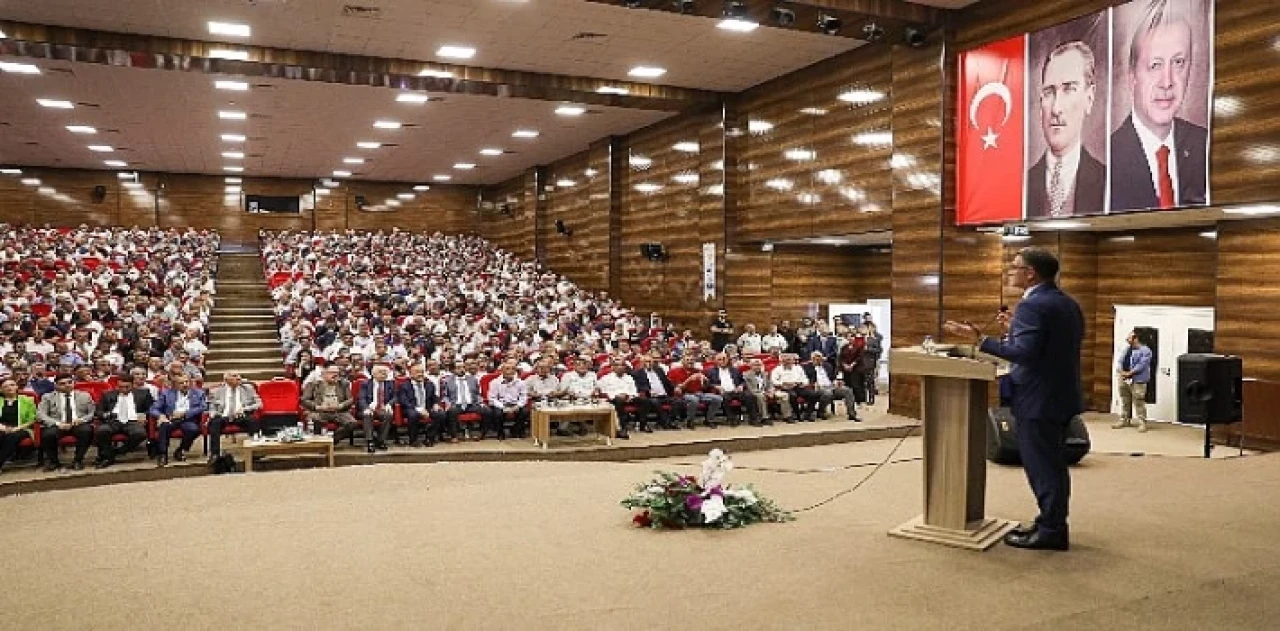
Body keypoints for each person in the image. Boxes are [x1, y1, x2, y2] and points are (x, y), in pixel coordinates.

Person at [945, 247, 1084, 551]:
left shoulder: (1032, 307)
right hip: (1059, 396)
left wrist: (980, 340)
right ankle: (1050, 521)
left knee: (1043, 468)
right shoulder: (1067, 303)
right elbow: (1049, 348)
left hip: (1039, 400)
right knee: (1053, 466)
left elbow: (1025, 355)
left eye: (1015, 266)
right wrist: (1013, 331)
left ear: (1030, 273)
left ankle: (1051, 531)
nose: (1010, 270)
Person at [1109, 0, 1208, 211]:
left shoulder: (1206, 146)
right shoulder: (1107, 160)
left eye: (1178, 62)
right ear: (1132, 76)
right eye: (1155, 65)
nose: (1167, 81)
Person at [1026, 40, 1106, 218]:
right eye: (1049, 92)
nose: (1056, 108)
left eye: (1069, 89)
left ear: (1089, 98)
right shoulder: (1020, 186)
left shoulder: (1109, 182)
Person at [36, 374, 96, 471]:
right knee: (48, 435)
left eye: (69, 382)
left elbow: (92, 412)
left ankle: (78, 460)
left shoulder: (85, 395)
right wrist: (58, 424)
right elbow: (41, 414)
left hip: (78, 423)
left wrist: (82, 420)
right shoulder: (47, 397)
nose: (67, 385)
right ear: (56, 386)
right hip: (58, 424)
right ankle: (54, 462)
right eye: (62, 384)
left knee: (86, 431)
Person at [93, 372, 153, 469]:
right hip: (113, 420)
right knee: (102, 431)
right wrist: (105, 414)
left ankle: (116, 452)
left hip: (133, 421)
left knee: (140, 434)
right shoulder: (107, 395)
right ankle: (108, 458)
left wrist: (144, 415)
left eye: (127, 387)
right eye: (121, 387)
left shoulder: (144, 393)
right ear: (117, 385)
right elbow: (98, 411)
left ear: (133, 385)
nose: (124, 389)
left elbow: (152, 408)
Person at [150, 374, 207, 466]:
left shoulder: (199, 393)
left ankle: (181, 450)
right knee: (163, 426)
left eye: (186, 382)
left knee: (194, 429)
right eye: (181, 383)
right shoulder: (166, 393)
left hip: (188, 419)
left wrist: (185, 413)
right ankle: (162, 454)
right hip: (171, 419)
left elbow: (203, 407)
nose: (185, 385)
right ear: (175, 385)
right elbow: (153, 409)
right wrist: (160, 416)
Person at [207, 372, 263, 462]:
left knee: (253, 421)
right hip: (223, 416)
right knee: (214, 423)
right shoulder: (216, 391)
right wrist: (214, 414)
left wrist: (244, 409)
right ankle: (215, 454)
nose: (238, 378)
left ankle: (255, 451)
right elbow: (211, 408)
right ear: (226, 380)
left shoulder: (248, 388)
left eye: (238, 376)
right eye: (234, 376)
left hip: (240, 415)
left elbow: (259, 404)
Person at [300, 366, 359, 444]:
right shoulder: (313, 384)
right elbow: (304, 400)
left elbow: (350, 400)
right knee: (315, 419)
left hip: (339, 411)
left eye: (337, 373)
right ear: (323, 374)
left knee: (352, 423)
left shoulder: (344, 384)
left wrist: (340, 406)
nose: (335, 375)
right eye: (332, 373)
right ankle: (318, 442)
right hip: (320, 411)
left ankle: (332, 440)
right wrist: (318, 407)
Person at [1114, 329, 1153, 432]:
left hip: (1138, 380)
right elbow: (1120, 361)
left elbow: (1142, 365)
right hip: (1123, 379)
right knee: (1125, 400)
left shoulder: (1146, 351)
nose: (1127, 338)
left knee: (1139, 401)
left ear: (1136, 338)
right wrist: (1121, 371)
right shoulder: (1127, 349)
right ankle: (1124, 419)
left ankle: (1142, 422)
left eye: (1130, 337)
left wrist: (1129, 373)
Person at [631, 353, 683, 430]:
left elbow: (667, 382)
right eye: (646, 361)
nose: (648, 363)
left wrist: (675, 387)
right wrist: (648, 391)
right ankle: (666, 423)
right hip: (651, 396)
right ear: (642, 363)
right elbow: (639, 386)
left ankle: (668, 421)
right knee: (655, 402)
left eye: (650, 361)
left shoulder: (659, 370)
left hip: (664, 395)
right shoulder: (638, 373)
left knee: (678, 401)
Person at [703, 353, 757, 426]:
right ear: (716, 361)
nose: (722, 361)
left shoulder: (735, 370)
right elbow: (706, 384)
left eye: (724, 359)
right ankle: (732, 419)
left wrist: (741, 386)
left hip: (736, 390)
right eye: (720, 359)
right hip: (722, 392)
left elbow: (743, 381)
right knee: (725, 398)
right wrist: (716, 387)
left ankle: (753, 420)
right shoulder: (711, 371)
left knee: (750, 396)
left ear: (728, 359)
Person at [803, 350, 858, 421]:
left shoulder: (827, 366)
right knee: (828, 393)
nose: (819, 360)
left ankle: (852, 414)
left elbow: (833, 377)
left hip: (831, 386)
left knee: (847, 390)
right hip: (818, 388)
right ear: (812, 359)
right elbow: (805, 379)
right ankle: (821, 411)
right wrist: (813, 384)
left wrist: (836, 382)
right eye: (816, 359)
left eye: (820, 358)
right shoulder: (807, 368)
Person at [0, 378, 37, 474]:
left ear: (16, 387)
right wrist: (2, 427)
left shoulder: (27, 400)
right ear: (1, 390)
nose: (9, 388)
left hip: (22, 428)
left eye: (12, 385)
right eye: (5, 386)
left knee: (11, 436)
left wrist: (17, 428)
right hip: (2, 427)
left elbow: (33, 419)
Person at [357, 365, 396, 452]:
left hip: (382, 408)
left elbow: (395, 397)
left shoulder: (390, 384)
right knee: (367, 415)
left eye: (385, 373)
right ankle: (370, 441)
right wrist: (366, 408)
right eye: (381, 372)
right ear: (373, 374)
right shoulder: (365, 384)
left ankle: (381, 440)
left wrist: (389, 404)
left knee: (388, 415)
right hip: (369, 408)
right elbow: (361, 398)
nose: (384, 374)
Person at [397, 364, 438, 447]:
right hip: (411, 408)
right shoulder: (404, 385)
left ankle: (429, 438)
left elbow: (434, 397)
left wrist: (436, 404)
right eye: (417, 372)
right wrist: (418, 409)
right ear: (410, 374)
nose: (420, 374)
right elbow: (404, 401)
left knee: (440, 414)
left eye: (422, 372)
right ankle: (413, 440)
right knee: (413, 414)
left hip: (427, 408)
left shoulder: (429, 384)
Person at [597, 359, 639, 439]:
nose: (620, 367)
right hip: (614, 399)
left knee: (643, 400)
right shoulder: (606, 378)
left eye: (622, 365)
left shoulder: (629, 377)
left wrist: (628, 396)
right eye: (617, 365)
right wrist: (617, 395)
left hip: (628, 398)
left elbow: (634, 390)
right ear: (613, 367)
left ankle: (643, 425)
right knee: (619, 401)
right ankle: (622, 428)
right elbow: (602, 390)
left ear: (625, 367)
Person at [487, 361, 529, 440]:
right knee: (497, 413)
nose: (511, 371)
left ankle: (515, 430)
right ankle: (500, 432)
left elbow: (524, 397)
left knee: (525, 411)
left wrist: (518, 406)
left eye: (513, 369)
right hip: (501, 404)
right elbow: (492, 398)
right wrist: (503, 407)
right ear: (502, 370)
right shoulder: (494, 382)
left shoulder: (521, 382)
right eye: (507, 369)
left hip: (515, 404)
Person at [770, 354, 814, 422]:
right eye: (786, 360)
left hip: (798, 386)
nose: (788, 362)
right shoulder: (777, 370)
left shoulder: (798, 368)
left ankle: (808, 414)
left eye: (790, 360)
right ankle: (797, 414)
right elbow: (774, 381)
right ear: (781, 361)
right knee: (792, 395)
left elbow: (805, 379)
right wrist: (783, 383)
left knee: (812, 394)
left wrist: (802, 383)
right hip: (784, 388)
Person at [743, 358, 787, 426]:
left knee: (784, 395)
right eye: (755, 365)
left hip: (767, 391)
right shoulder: (746, 375)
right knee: (761, 396)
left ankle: (787, 416)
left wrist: (771, 391)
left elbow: (770, 384)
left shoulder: (765, 373)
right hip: (756, 392)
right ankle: (765, 417)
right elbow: (751, 388)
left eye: (759, 365)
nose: (757, 367)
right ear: (751, 366)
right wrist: (765, 393)